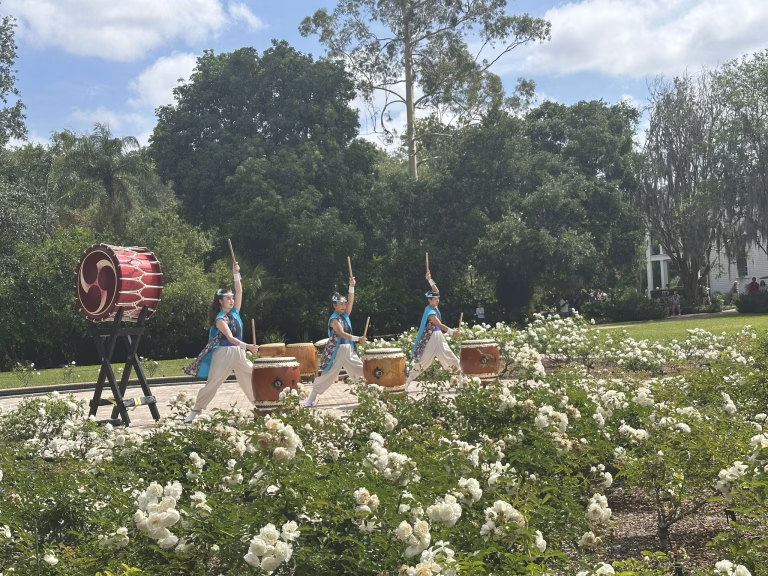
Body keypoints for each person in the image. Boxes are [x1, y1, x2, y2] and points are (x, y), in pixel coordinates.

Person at [183, 262, 259, 423]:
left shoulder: (235, 312)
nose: (232, 300)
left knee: (253, 376)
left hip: (238, 353)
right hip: (223, 354)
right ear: (220, 301)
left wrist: (236, 274)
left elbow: (240, 291)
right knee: (213, 384)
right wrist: (249, 347)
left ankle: (260, 406)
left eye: (232, 298)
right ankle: (195, 412)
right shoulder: (219, 319)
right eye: (228, 298)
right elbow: (230, 338)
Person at [305, 276, 367, 407]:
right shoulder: (334, 319)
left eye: (344, 304)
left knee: (361, 370)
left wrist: (352, 286)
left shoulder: (344, 316)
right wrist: (358, 339)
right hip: (337, 351)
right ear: (334, 305)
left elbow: (351, 301)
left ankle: (368, 395)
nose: (344, 306)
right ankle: (310, 400)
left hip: (348, 350)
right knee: (328, 375)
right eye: (341, 304)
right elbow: (342, 334)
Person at [405, 271, 462, 391]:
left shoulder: (434, 307)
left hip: (438, 337)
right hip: (432, 338)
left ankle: (462, 382)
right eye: (435, 299)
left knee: (451, 357)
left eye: (438, 298)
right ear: (429, 300)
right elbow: (439, 324)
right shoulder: (429, 311)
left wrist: (429, 279)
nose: (438, 300)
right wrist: (453, 332)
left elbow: (436, 290)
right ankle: (407, 382)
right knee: (424, 362)